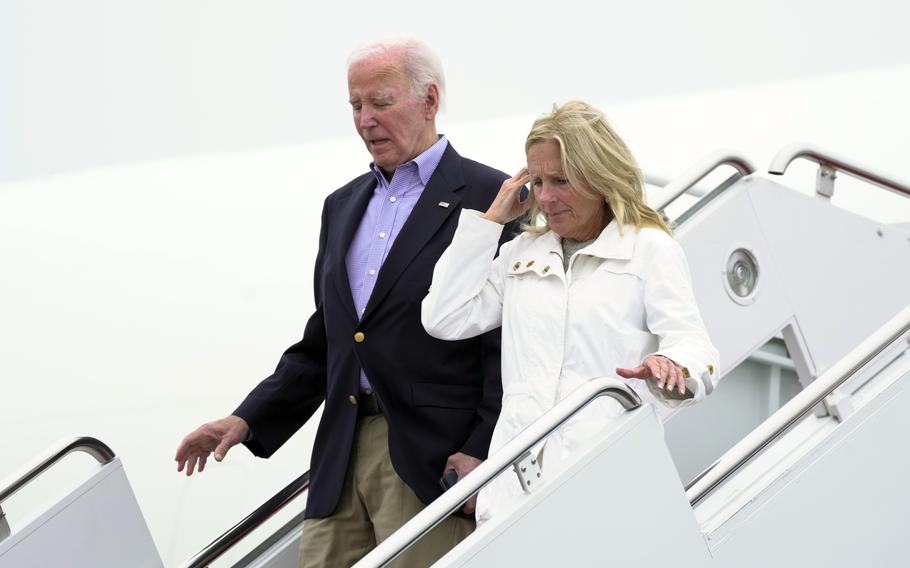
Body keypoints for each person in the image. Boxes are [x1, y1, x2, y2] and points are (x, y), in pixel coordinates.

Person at [175, 39, 513, 568]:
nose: (365, 120)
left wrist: (483, 447)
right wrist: (247, 419)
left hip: (431, 461)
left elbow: (506, 342)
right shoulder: (342, 206)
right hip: (338, 455)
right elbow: (326, 341)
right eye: (355, 106)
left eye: (380, 102)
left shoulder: (489, 196)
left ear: (429, 100)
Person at [421, 100, 719, 524]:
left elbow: (695, 345)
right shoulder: (520, 254)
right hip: (513, 492)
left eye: (561, 180)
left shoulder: (650, 249)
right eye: (537, 181)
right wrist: (489, 222)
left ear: (598, 175)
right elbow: (442, 317)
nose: (545, 197)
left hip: (604, 482)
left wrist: (672, 365)